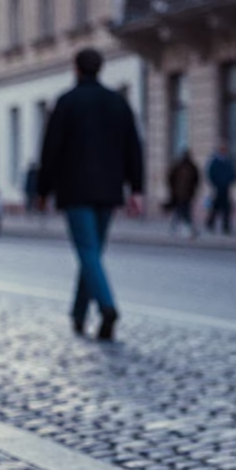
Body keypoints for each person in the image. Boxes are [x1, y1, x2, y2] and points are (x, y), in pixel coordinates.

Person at [36, 48, 144, 341]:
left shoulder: (67, 102)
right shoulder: (117, 102)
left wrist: (42, 189)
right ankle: (78, 314)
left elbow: (51, 150)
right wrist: (137, 187)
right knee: (92, 252)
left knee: (87, 251)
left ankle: (107, 307)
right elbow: (134, 146)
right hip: (109, 191)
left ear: (77, 69)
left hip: (75, 190)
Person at [205, 141, 236, 235]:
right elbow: (211, 174)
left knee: (227, 209)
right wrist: (216, 183)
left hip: (226, 189)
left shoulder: (228, 161)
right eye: (222, 149)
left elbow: (232, 173)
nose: (223, 151)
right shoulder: (215, 161)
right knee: (215, 208)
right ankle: (210, 223)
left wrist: (229, 181)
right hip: (218, 189)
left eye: (224, 149)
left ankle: (226, 227)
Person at [168, 150, 200, 238]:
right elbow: (171, 178)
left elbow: (196, 180)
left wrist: (192, 191)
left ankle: (184, 229)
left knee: (183, 212)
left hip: (186, 194)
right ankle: (183, 229)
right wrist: (173, 190)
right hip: (180, 194)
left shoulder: (191, 167)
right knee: (182, 212)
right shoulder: (179, 166)